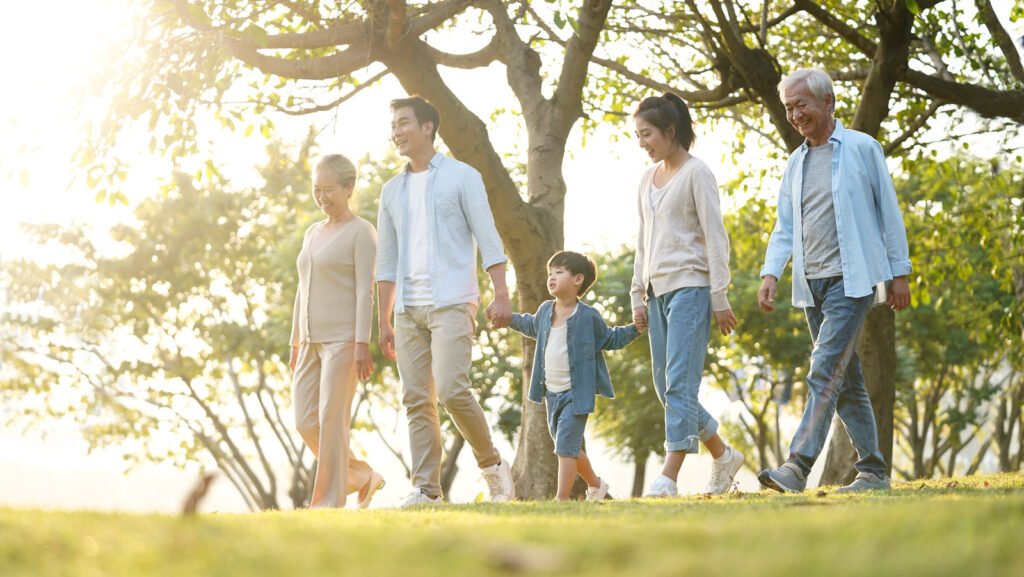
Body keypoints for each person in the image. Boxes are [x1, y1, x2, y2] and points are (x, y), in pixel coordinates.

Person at [756, 68, 911, 493]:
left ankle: (796, 466)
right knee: (846, 380)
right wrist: (772, 272)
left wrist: (900, 273)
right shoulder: (796, 161)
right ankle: (874, 472)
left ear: (828, 102)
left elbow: (889, 214)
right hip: (811, 285)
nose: (794, 114)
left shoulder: (863, 148)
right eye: (789, 107)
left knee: (824, 369)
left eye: (801, 104)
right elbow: (784, 226)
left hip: (851, 280)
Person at [375, 95, 515, 506]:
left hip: (452, 299)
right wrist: (383, 320)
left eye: (403, 123)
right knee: (417, 399)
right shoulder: (390, 190)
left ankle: (492, 466)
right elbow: (387, 259)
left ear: (427, 127)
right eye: (394, 124)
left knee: (453, 390)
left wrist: (501, 292)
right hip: (407, 311)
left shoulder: (462, 176)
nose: (396, 132)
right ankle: (427, 489)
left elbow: (488, 236)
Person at [630, 93, 745, 498]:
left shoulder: (698, 174)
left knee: (679, 385)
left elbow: (716, 237)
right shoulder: (647, 179)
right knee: (666, 388)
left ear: (670, 131)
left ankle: (668, 477)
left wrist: (719, 296)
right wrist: (636, 294)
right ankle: (723, 454)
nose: (642, 142)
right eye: (638, 135)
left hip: (692, 289)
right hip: (657, 290)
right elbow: (644, 239)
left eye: (647, 134)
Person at [290, 154, 385, 508]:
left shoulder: (362, 232)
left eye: (329, 190)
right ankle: (361, 476)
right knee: (304, 420)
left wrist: (363, 342)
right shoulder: (312, 232)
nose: (322, 197)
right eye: (317, 190)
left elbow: (365, 291)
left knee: (332, 421)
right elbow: (303, 287)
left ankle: (327, 503)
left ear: (348, 188)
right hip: (309, 340)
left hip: (344, 340)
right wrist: (295, 340)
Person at [508, 251, 642, 501]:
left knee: (565, 448)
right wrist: (508, 318)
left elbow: (611, 338)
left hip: (576, 394)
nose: (551, 277)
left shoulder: (588, 316)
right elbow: (529, 325)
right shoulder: (545, 310)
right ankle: (596, 485)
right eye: (550, 273)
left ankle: (561, 499)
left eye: (559, 272)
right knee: (568, 447)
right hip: (551, 393)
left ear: (578, 279)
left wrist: (635, 329)